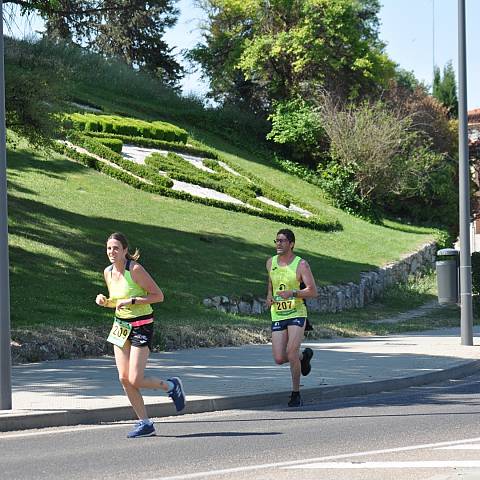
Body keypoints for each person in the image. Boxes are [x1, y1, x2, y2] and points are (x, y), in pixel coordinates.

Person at [95, 232, 186, 438]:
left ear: (125, 250)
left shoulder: (134, 269)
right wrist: (105, 302)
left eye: (116, 248)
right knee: (124, 378)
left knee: (135, 378)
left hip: (141, 326)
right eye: (109, 248)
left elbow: (158, 296)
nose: (112, 252)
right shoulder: (108, 272)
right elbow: (117, 301)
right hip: (120, 326)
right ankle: (145, 423)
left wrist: (134, 301)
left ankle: (171, 386)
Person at [266, 228, 318, 407]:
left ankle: (296, 393)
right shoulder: (270, 262)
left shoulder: (301, 264)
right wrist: (269, 296)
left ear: (291, 244)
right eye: (277, 241)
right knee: (279, 358)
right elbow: (271, 282)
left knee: (291, 352)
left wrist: (294, 293)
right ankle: (304, 357)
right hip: (278, 313)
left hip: (297, 312)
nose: (278, 244)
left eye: (282, 241)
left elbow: (313, 291)